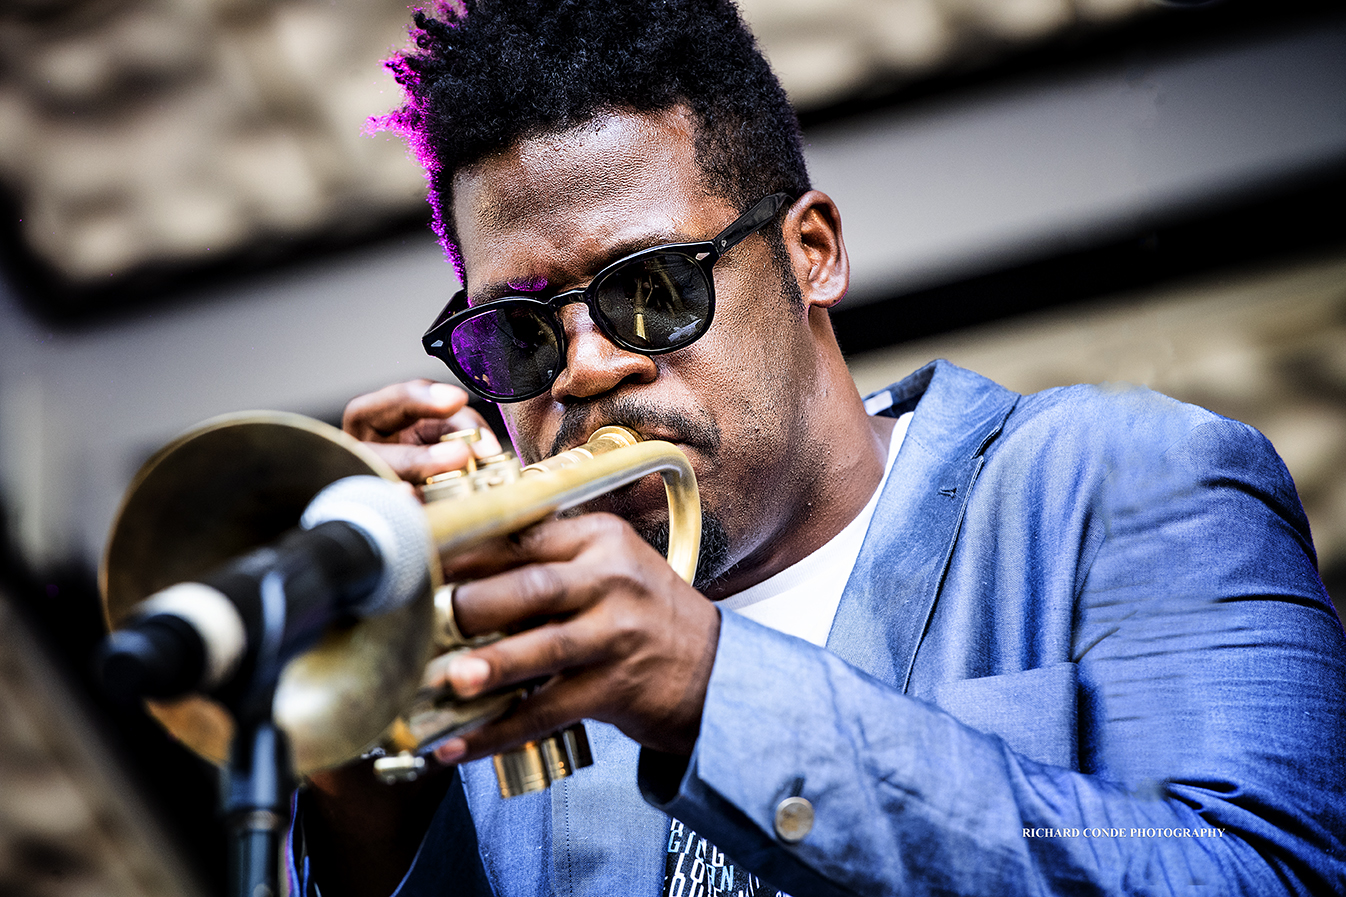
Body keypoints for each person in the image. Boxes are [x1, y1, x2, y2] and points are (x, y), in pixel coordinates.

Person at [293, 1, 1346, 895]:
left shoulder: (1121, 480)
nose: (581, 368)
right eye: (516, 332)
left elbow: (1257, 873)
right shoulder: (507, 649)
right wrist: (356, 767)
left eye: (654, 289)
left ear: (812, 254)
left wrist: (712, 691)